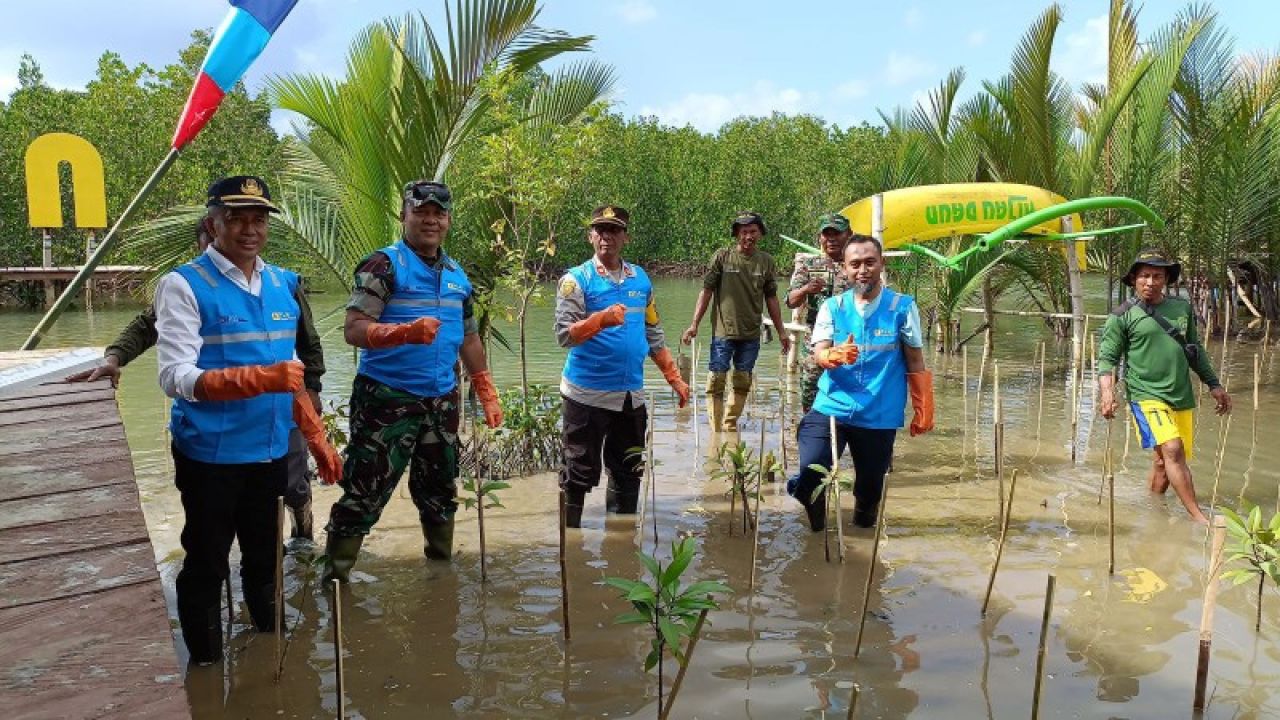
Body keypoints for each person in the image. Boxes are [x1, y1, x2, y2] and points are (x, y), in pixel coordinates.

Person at [155, 176, 342, 665]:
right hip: (210, 455)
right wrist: (259, 378)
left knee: (266, 560)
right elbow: (175, 377)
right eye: (236, 218)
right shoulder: (184, 284)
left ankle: (272, 660)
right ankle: (207, 670)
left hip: (270, 450)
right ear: (212, 222)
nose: (248, 229)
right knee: (208, 563)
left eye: (258, 219)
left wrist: (316, 438)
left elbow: (294, 376)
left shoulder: (283, 283)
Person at [69, 220, 330, 541]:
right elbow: (147, 327)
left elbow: (309, 342)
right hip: (225, 416)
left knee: (292, 483)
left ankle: (302, 536)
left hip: (281, 409)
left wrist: (314, 387)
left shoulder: (282, 284)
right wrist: (113, 359)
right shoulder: (191, 289)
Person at [324, 180, 503, 582]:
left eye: (439, 213)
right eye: (421, 211)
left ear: (449, 220)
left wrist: (487, 391)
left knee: (440, 493)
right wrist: (403, 333)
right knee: (365, 493)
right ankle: (334, 584)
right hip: (386, 399)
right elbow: (354, 328)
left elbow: (470, 337)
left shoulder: (457, 276)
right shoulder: (383, 266)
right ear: (404, 215)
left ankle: (440, 580)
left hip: (442, 401)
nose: (430, 220)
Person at [554, 205, 690, 528]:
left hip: (630, 396)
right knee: (578, 472)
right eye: (600, 230)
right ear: (591, 236)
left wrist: (675, 377)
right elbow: (564, 335)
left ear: (625, 237)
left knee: (629, 469)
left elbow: (653, 332)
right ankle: (569, 546)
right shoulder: (575, 281)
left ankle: (620, 545)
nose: (606, 237)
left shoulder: (640, 280)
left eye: (614, 230)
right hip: (585, 396)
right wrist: (599, 320)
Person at [785, 234, 934, 530]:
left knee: (869, 493)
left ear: (881, 265)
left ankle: (864, 541)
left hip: (878, 413)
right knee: (810, 474)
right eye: (855, 264)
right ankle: (817, 529)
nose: (862, 270)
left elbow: (915, 360)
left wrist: (924, 406)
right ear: (844, 269)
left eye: (870, 262)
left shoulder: (902, 308)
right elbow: (818, 352)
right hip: (832, 405)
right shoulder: (833, 306)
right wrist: (831, 355)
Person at [1097, 247, 1230, 524]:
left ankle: (1154, 511)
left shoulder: (1181, 308)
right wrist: (1107, 393)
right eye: (1144, 275)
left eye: (1157, 276)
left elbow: (1194, 350)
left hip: (1180, 394)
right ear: (1134, 279)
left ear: (1166, 279)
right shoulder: (1122, 316)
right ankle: (1198, 517)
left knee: (1162, 462)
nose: (1150, 282)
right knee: (1173, 449)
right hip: (1145, 395)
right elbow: (1107, 359)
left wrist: (1214, 384)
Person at [681, 211, 790, 432]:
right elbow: (707, 291)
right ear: (736, 234)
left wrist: (782, 332)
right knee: (716, 379)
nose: (748, 236)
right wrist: (694, 324)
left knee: (742, 380)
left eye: (753, 231)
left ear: (760, 233)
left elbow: (772, 299)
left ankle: (730, 425)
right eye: (744, 232)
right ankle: (715, 430)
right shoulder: (723, 257)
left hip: (751, 333)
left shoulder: (766, 262)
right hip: (723, 331)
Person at [786, 212, 854, 413]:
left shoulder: (857, 265)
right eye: (827, 234)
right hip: (815, 343)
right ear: (820, 238)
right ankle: (811, 429)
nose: (831, 239)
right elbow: (790, 300)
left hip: (849, 341)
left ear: (849, 235)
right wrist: (806, 289)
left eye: (837, 234)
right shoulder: (809, 266)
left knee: (850, 393)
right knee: (810, 390)